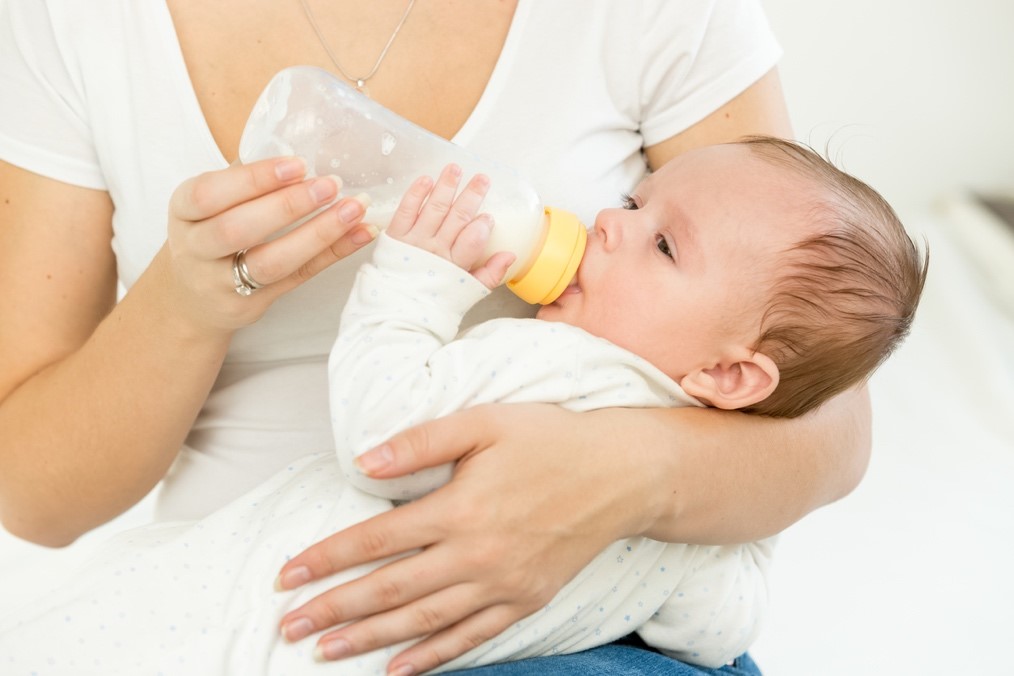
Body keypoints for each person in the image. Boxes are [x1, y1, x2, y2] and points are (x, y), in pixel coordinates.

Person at [0, 1, 873, 674]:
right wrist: (185, 303)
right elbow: (35, 496)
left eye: (661, 239)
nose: (609, 221)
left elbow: (830, 415)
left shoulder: (548, 362)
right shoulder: (76, 26)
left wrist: (625, 481)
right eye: (635, 203)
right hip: (272, 600)